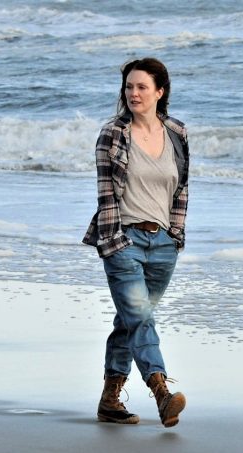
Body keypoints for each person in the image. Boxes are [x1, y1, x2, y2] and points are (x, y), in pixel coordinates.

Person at [82, 57, 189, 428]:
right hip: (124, 239)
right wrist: (114, 242)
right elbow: (106, 194)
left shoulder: (177, 132)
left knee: (131, 319)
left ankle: (110, 399)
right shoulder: (113, 133)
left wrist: (176, 235)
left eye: (142, 87)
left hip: (163, 245)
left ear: (160, 91)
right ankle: (162, 392)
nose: (134, 93)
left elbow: (181, 189)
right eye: (129, 86)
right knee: (140, 317)